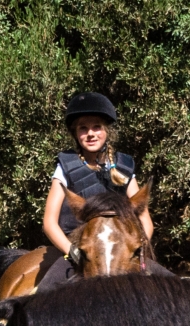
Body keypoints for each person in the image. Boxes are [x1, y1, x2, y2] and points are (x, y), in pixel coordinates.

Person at [37, 92, 155, 288]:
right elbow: (49, 222)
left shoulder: (124, 166)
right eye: (83, 128)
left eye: (96, 127)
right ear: (75, 133)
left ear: (107, 130)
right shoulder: (66, 166)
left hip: (120, 252)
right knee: (44, 290)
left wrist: (135, 250)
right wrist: (73, 252)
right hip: (78, 248)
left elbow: (146, 221)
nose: (90, 133)